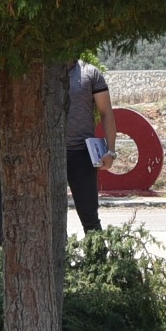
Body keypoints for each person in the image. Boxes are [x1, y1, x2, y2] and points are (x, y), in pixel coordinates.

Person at [66, 57, 115, 232]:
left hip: (82, 154)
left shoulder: (90, 72)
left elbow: (106, 113)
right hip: (50, 155)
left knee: (90, 218)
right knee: (48, 217)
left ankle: (99, 258)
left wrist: (111, 151)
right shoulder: (43, 72)